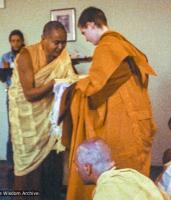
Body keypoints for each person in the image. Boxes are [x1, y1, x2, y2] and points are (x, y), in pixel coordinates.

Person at [59, 6, 157, 200]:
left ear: (91, 24)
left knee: (118, 173)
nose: (85, 38)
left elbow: (94, 87)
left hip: (124, 122)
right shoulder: (125, 44)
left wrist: (74, 88)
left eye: (84, 32)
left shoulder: (107, 46)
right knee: (134, 178)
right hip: (139, 118)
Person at [8, 21, 77, 200]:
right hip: (27, 123)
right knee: (24, 169)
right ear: (43, 39)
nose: (60, 47)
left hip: (50, 122)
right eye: (56, 42)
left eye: (64, 42)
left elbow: (71, 81)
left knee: (49, 167)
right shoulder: (26, 55)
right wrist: (55, 83)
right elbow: (30, 94)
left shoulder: (63, 57)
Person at [75, 138, 169, 200]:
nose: (76, 169)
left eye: (77, 166)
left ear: (87, 168)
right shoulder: (132, 175)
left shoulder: (106, 192)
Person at [0, 30, 25, 169]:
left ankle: (25, 160)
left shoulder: (27, 55)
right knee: (12, 128)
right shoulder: (5, 57)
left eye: (17, 40)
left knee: (25, 127)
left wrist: (11, 69)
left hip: (26, 95)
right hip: (11, 95)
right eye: (12, 41)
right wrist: (4, 70)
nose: (15, 43)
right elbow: (3, 79)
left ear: (21, 41)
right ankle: (11, 163)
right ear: (10, 42)